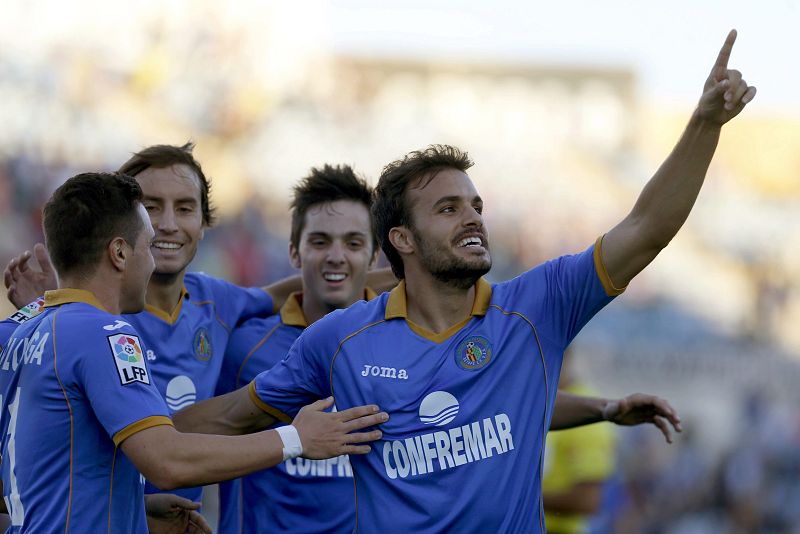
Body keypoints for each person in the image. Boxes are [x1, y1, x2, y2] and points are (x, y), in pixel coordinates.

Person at [175, 30, 753, 532]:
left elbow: (647, 228)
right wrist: (124, 431)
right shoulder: (338, 341)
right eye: (448, 208)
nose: (473, 216)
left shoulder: (537, 307)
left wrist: (704, 124)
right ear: (401, 239)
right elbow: (231, 418)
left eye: (475, 204)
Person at [213, 164, 681, 533]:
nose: (338, 256)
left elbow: (493, 409)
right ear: (294, 254)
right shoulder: (281, 344)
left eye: (354, 242)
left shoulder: (518, 313)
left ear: (375, 251)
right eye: (320, 241)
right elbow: (205, 427)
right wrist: (290, 440)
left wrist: (604, 408)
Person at [1, 143, 395, 507]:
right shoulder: (101, 331)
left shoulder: (218, 302)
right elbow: (164, 457)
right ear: (120, 237)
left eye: (185, 208)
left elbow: (295, 289)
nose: (166, 225)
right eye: (151, 209)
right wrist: (295, 438)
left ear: (204, 225)